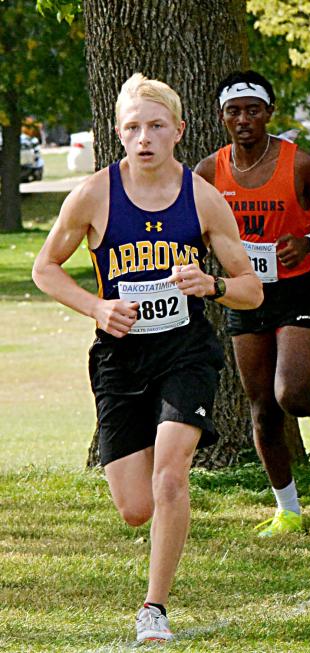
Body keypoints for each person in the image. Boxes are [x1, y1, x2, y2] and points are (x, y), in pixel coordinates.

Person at [32, 74, 263, 642]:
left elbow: (250, 290)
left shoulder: (202, 198)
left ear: (178, 132)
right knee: (135, 506)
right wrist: (96, 307)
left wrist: (210, 284)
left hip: (185, 352)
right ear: (118, 134)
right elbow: (45, 269)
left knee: (170, 475)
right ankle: (157, 564)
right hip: (120, 360)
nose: (145, 138)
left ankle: (153, 609)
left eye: (156, 126)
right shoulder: (92, 195)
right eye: (133, 127)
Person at [195, 71, 310, 537]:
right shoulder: (208, 171)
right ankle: (289, 509)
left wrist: (308, 240)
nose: (243, 120)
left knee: (291, 394)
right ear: (222, 117)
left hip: (297, 289)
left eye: (253, 110)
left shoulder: (299, 163)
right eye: (233, 111)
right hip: (245, 294)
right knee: (262, 406)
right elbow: (196, 224)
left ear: (269, 112)